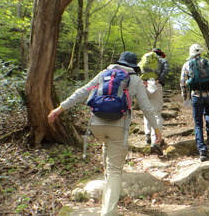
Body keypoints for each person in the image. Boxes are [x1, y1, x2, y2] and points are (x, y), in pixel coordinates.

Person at [48, 51, 162, 216]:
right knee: (115, 170)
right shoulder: (135, 80)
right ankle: (109, 212)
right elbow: (147, 108)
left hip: (96, 125)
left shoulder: (104, 74)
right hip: (118, 127)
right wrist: (156, 129)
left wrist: (59, 109)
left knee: (107, 149)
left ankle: (112, 189)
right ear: (133, 66)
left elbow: (82, 92)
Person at [180, 44, 209, 162]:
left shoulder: (187, 65)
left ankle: (202, 150)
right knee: (208, 113)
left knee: (198, 123)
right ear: (200, 52)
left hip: (196, 96)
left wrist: (185, 97)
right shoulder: (208, 62)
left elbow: (183, 83)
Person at [139, 48, 169, 147]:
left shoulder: (145, 59)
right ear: (160, 54)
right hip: (155, 86)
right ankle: (155, 141)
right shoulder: (162, 60)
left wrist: (141, 81)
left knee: (147, 111)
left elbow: (138, 69)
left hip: (144, 86)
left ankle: (147, 134)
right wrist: (159, 80)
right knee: (156, 114)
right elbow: (166, 69)